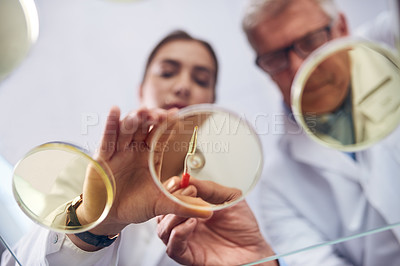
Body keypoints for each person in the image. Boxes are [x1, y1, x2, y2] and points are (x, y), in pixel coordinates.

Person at [158, 1, 400, 265]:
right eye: (276, 58)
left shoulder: (388, 49)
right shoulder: (276, 184)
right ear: (264, 67)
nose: (298, 68)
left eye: (310, 41)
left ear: (341, 28)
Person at [1, 30, 252, 265]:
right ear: (141, 91)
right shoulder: (85, 171)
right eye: (167, 72)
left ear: (210, 106)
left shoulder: (223, 200)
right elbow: (23, 260)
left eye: (201, 79)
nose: (183, 86)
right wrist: (94, 221)